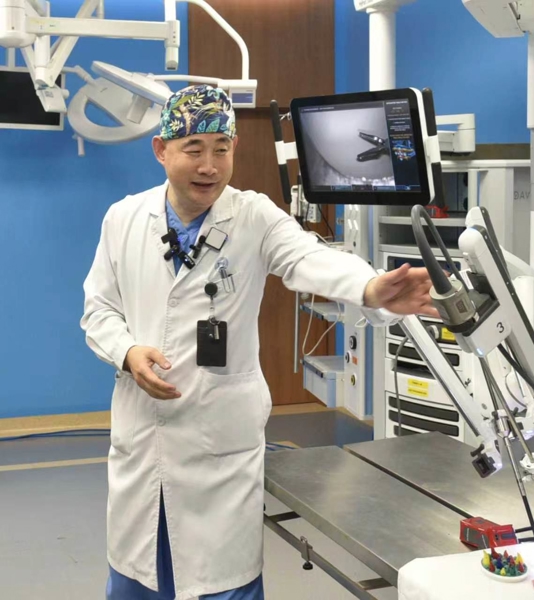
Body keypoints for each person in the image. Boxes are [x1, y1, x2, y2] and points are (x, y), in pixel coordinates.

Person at [81, 85, 437, 600]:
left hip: (219, 451)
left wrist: (369, 286)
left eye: (221, 149)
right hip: (143, 444)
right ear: (161, 150)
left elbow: (308, 257)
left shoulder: (254, 216)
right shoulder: (125, 219)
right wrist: (128, 352)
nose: (209, 166)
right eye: (194, 149)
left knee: (223, 581)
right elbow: (98, 310)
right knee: (139, 579)